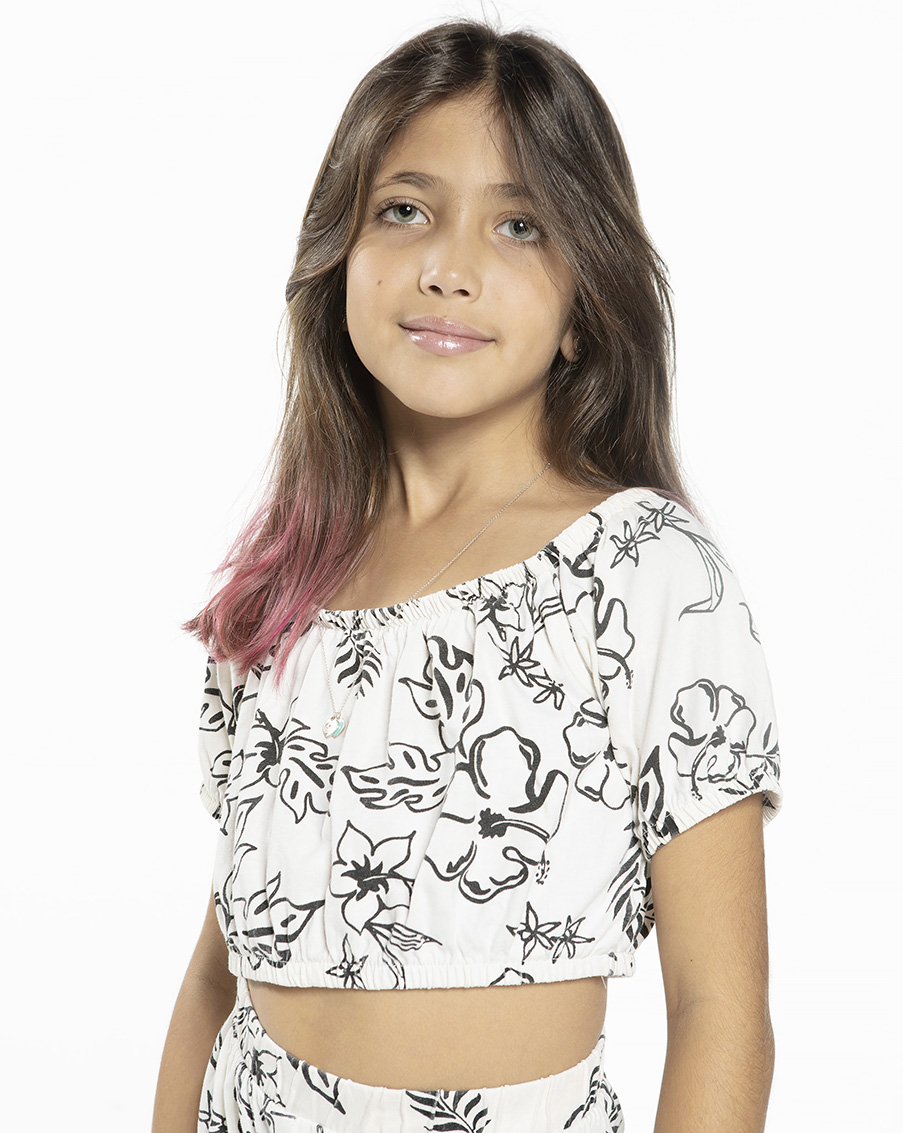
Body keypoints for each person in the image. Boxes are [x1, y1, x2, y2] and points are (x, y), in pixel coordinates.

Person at [152, 18, 783, 1133]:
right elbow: (218, 972)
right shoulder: (287, 578)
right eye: (405, 209)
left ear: (585, 305)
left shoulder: (644, 572)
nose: (449, 267)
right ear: (339, 257)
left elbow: (721, 1008)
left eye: (519, 224)